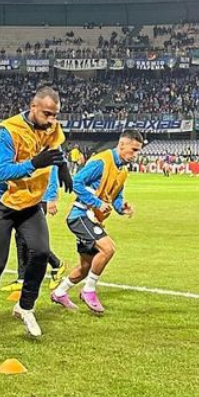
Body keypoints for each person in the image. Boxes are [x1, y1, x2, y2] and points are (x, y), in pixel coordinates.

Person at [0, 86, 74, 340]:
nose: (51, 120)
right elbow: (1, 172)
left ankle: (25, 307)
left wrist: (62, 167)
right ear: (33, 107)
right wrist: (34, 164)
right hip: (0, 202)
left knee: (40, 252)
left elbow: (55, 150)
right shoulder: (9, 130)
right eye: (47, 114)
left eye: (55, 115)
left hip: (29, 203)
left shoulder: (51, 128)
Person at [50, 130, 144, 313]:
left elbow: (115, 196)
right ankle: (89, 290)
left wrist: (121, 207)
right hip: (81, 215)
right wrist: (97, 203)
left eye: (138, 151)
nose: (135, 155)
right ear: (122, 144)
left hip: (92, 219)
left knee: (86, 267)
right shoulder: (101, 161)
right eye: (133, 150)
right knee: (108, 248)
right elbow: (76, 182)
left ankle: (60, 293)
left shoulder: (123, 171)